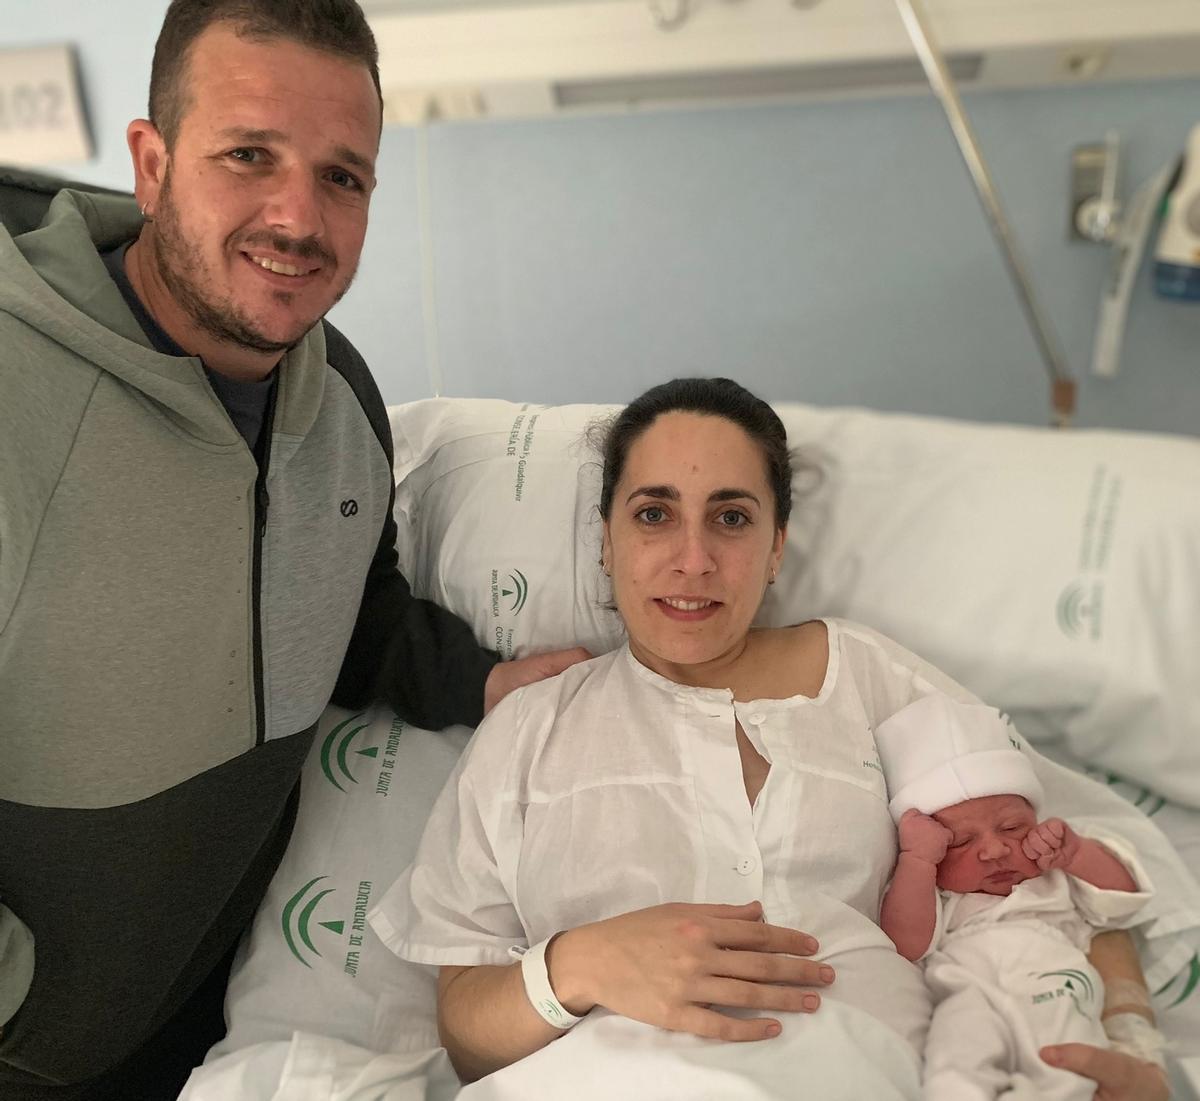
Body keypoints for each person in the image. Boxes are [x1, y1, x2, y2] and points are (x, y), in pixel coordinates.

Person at [0, 3, 586, 1098]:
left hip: (212, 1028)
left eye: (342, 177)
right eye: (249, 156)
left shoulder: (339, 400)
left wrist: (488, 680)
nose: (297, 217)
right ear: (152, 161)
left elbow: (345, 615)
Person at [369, 377, 1174, 1100]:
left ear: (777, 545)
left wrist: (1132, 1041)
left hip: (861, 1068)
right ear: (606, 542)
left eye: (731, 517)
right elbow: (466, 1035)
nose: (693, 559)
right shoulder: (530, 727)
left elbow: (1060, 868)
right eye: (654, 514)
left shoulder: (861, 673)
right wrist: (577, 964)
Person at [876, 694, 1166, 1100]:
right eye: (959, 843)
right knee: (957, 1060)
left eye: (1012, 828)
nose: (994, 851)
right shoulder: (940, 896)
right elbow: (904, 944)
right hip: (971, 995)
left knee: (1067, 1069)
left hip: (1061, 991)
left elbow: (1123, 898)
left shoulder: (1055, 881)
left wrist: (1077, 854)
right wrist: (918, 861)